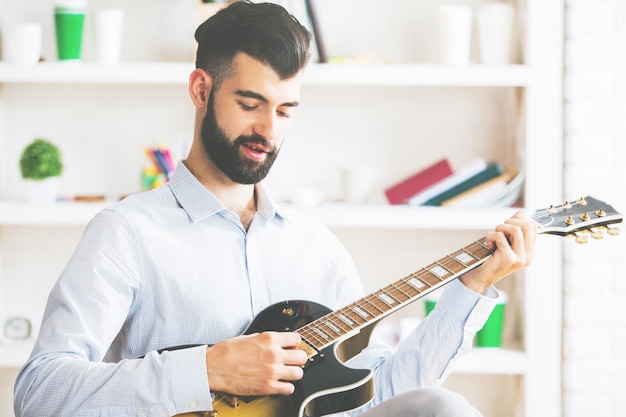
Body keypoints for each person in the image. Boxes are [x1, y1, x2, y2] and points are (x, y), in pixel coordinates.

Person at [14, 2, 538, 416]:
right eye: (250, 104)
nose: (268, 130)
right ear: (201, 89)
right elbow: (39, 394)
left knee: (441, 408)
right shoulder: (127, 232)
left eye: (285, 110)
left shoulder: (316, 247)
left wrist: (471, 287)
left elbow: (383, 394)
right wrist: (207, 370)